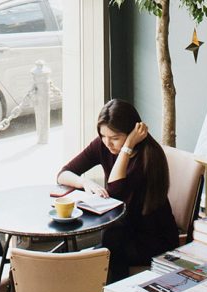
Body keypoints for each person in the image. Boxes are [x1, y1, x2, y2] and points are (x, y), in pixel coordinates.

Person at [58, 99, 178, 281]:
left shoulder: (149, 156)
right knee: (94, 253)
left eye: (115, 138)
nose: (108, 143)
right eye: (103, 136)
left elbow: (115, 193)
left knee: (105, 250)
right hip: (123, 231)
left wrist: (127, 147)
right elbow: (63, 174)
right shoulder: (103, 144)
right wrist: (85, 183)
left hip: (152, 239)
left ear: (132, 133)